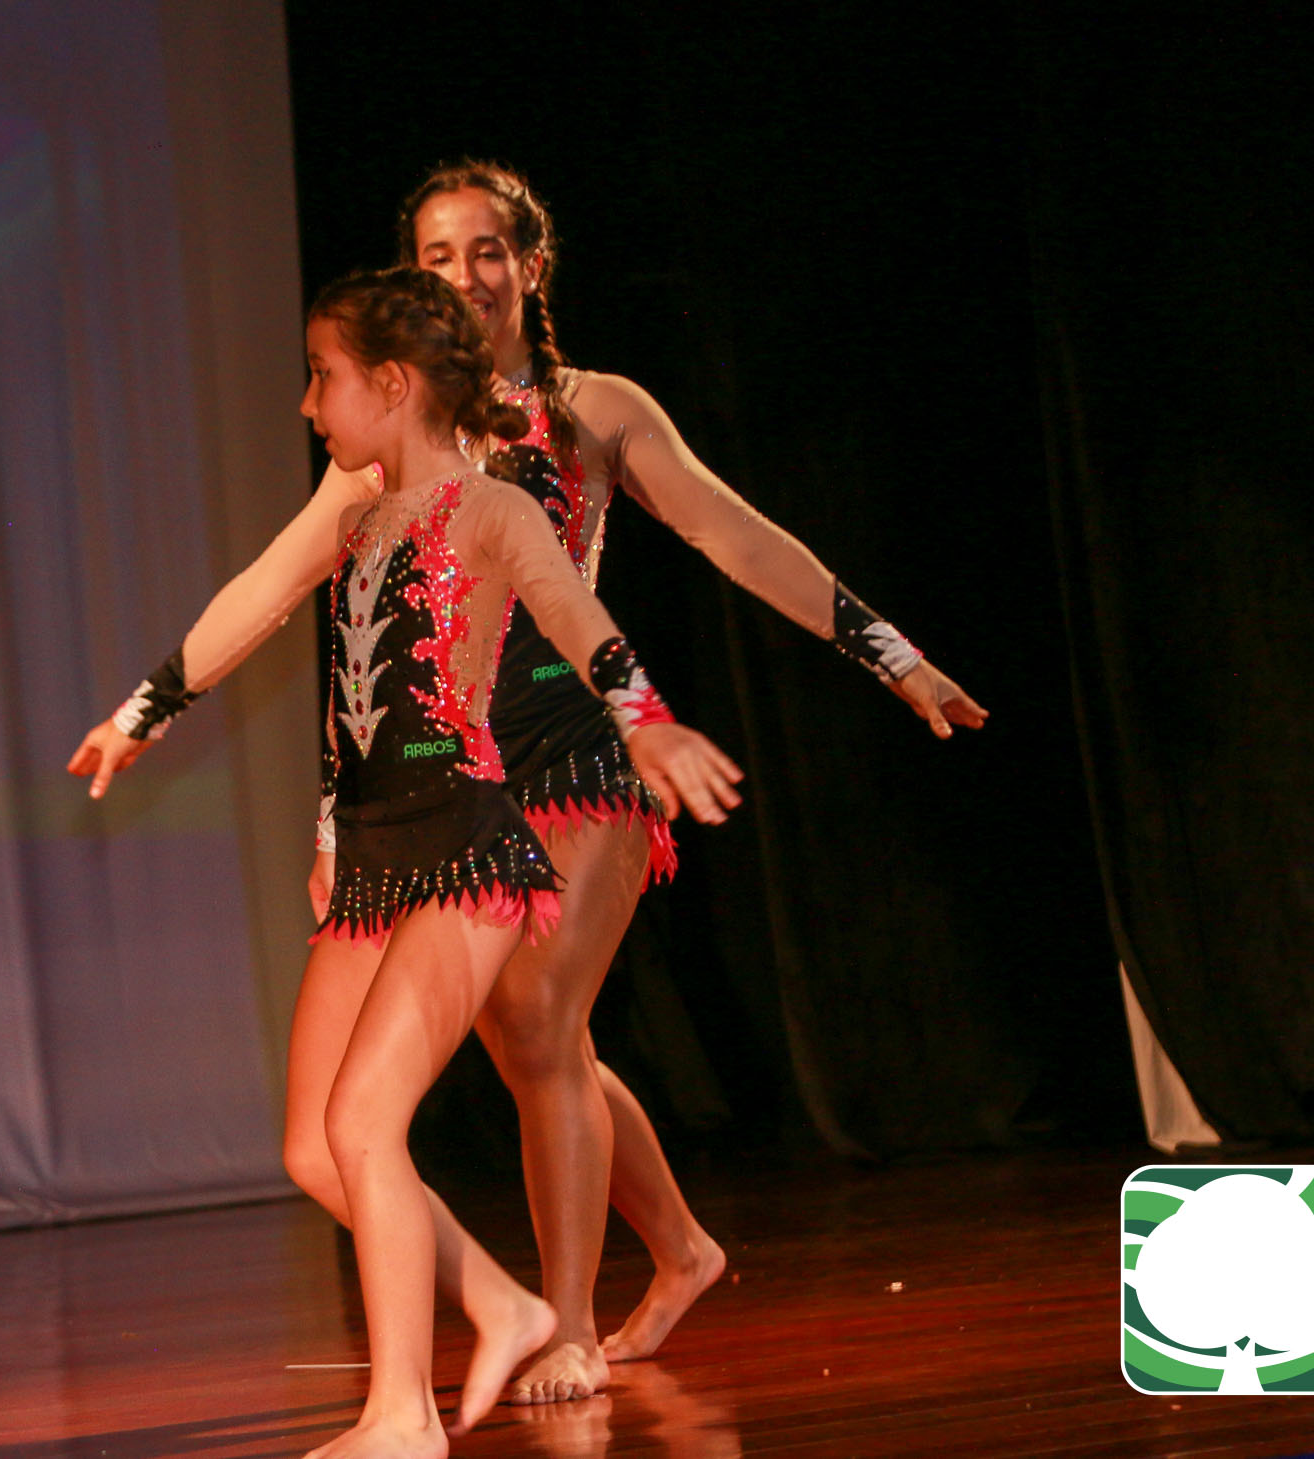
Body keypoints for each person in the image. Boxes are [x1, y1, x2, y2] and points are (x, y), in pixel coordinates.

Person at [69, 265, 741, 1459]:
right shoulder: (356, 523)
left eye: (320, 377)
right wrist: (145, 712)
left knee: (365, 1120)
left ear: (389, 385)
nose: (305, 404)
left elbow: (581, 624)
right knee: (312, 1146)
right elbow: (282, 632)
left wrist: (646, 724)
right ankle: (495, 1302)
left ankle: (402, 1415)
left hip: (467, 851)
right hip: (377, 861)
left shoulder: (493, 511)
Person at [384, 161, 988, 1404]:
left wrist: (891, 654)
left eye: (487, 249)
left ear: (529, 264)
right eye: (438, 256)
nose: (466, 275)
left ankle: (565, 1321)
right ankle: (681, 1248)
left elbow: (733, 533)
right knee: (532, 1041)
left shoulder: (591, 408)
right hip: (467, 770)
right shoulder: (399, 422)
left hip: (586, 751)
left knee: (540, 1023)